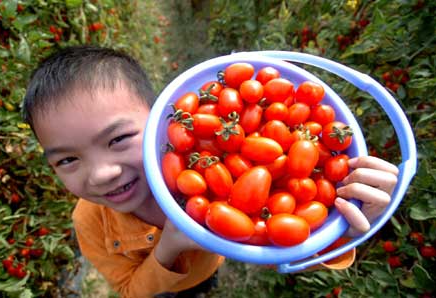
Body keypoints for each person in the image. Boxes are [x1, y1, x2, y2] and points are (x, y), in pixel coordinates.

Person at [22, 45, 399, 298]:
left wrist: (339, 231)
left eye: (118, 139)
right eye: (67, 160)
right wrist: (168, 249)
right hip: (165, 289)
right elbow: (129, 291)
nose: (101, 173)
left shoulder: (196, 150)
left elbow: (281, 240)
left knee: (205, 283)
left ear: (161, 118)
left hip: (208, 266)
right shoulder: (90, 222)